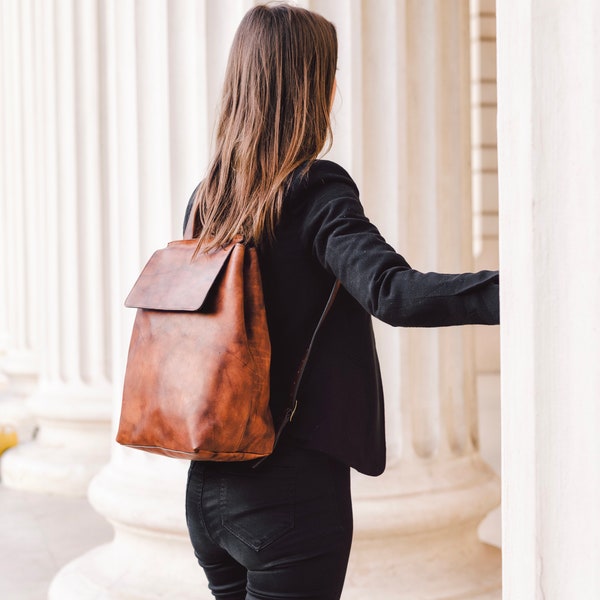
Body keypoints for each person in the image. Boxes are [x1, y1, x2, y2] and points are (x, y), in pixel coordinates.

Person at [183, 4, 500, 599]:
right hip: (289, 496)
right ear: (309, 85)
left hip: (208, 492)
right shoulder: (315, 188)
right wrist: (514, 292)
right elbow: (393, 292)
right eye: (330, 73)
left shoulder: (210, 198)